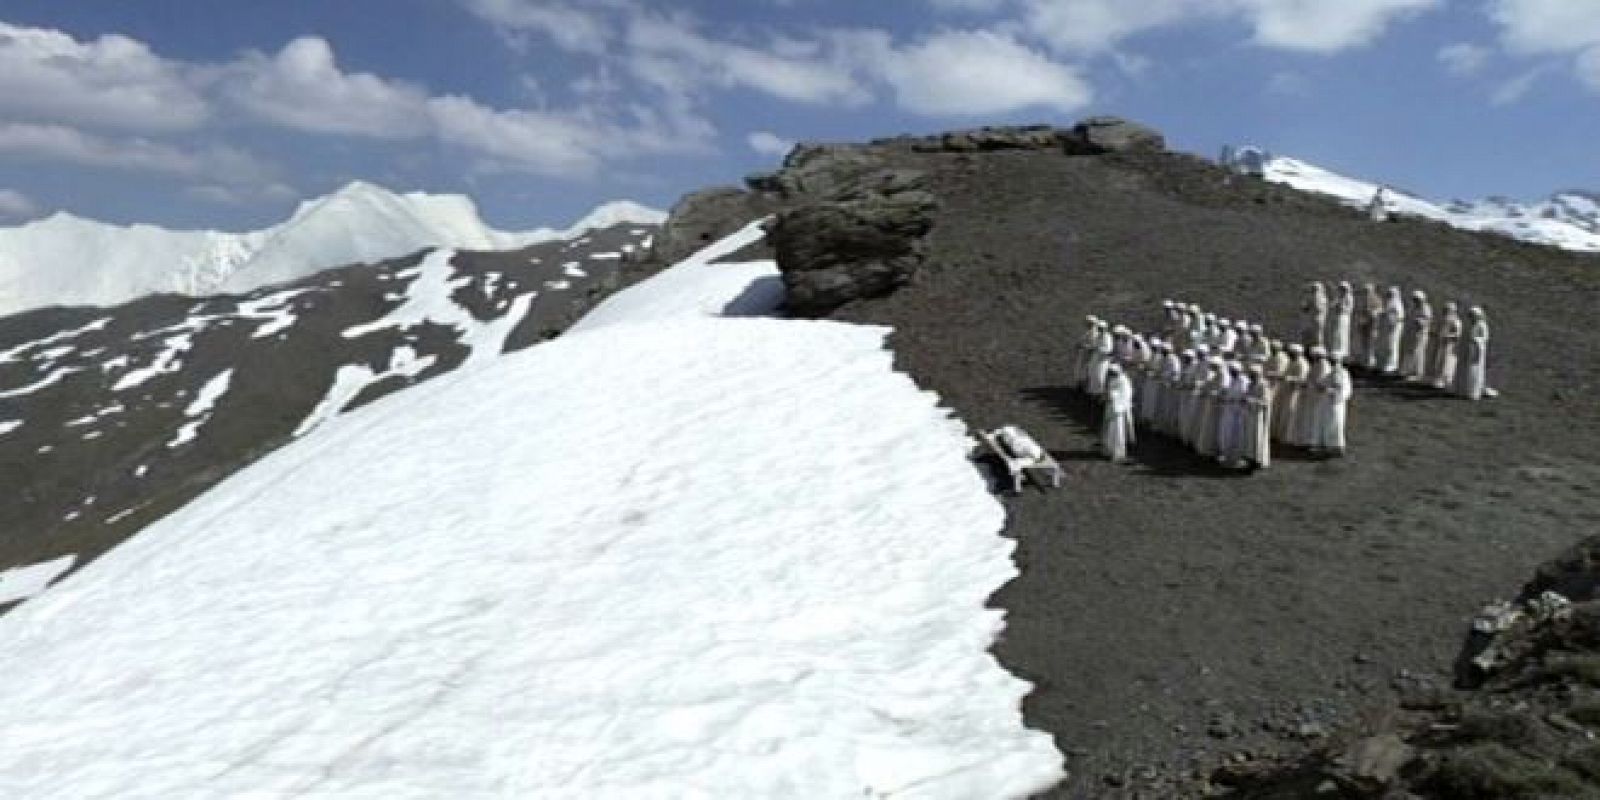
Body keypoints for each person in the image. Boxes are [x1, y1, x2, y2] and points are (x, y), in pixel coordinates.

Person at [1312, 350, 1353, 456]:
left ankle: (1337, 447)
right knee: (1326, 423)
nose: (1332, 362)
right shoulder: (1332, 372)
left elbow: (1343, 389)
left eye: (1334, 361)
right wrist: (1320, 384)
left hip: (1336, 403)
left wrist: (1330, 390)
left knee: (1336, 424)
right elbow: (1325, 381)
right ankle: (1327, 445)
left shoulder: (1342, 373)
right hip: (1328, 402)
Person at [1294, 346, 1330, 446]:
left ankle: (1314, 441)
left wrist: (1308, 384)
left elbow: (1320, 382)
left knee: (1315, 419)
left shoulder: (1324, 366)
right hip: (1310, 394)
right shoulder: (1316, 364)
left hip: (1317, 396)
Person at [1217, 361, 1250, 465]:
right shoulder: (1232, 380)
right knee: (1226, 433)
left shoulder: (1243, 381)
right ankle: (1227, 455)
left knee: (1236, 435)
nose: (1231, 372)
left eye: (1232, 370)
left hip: (1238, 412)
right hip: (1229, 409)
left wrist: (1233, 399)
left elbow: (1244, 396)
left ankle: (1235, 458)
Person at [1193, 357, 1227, 457]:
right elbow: (1209, 385)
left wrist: (1211, 393)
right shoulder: (1215, 374)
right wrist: (1203, 389)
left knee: (1215, 428)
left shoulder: (1223, 376)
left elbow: (1222, 390)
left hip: (1217, 406)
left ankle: (1214, 450)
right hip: (1211, 403)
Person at [1274, 343, 1307, 443]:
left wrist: (1289, 379)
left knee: (1291, 413)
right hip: (1287, 390)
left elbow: (1302, 379)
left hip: (1295, 392)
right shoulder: (1292, 362)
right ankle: (1283, 436)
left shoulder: (1302, 364)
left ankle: (1290, 437)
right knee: (1284, 413)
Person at [1455, 306, 1490, 400]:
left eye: (1472, 316)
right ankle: (1465, 389)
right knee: (1468, 370)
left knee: (1475, 371)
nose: (1471, 318)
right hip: (1469, 350)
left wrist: (1476, 340)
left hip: (1477, 351)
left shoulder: (1482, 325)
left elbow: (1485, 338)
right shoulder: (1471, 325)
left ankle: (1474, 391)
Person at [1103, 364, 1135, 462]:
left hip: (1118, 411)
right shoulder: (1114, 379)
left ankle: (1118, 452)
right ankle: (1109, 449)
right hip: (1112, 408)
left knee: (1118, 432)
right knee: (1110, 431)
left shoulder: (1123, 381)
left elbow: (1125, 395)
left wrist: (1112, 395)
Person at [1243, 364, 1273, 469]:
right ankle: (1250, 457)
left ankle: (1257, 459)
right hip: (1250, 414)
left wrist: (1252, 401)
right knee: (1249, 438)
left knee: (1258, 437)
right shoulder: (1251, 384)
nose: (1251, 376)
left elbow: (1265, 402)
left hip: (1259, 416)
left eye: (1252, 374)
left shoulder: (1264, 385)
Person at [1400, 290, 1433, 380]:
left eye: (1417, 299)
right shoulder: (1414, 307)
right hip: (1412, 334)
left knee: (1417, 353)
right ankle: (1407, 370)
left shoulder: (1426, 308)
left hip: (1420, 335)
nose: (1415, 301)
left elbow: (1427, 321)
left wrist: (1419, 321)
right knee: (1410, 352)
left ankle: (1416, 373)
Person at [1432, 302, 1462, 389]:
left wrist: (1448, 336)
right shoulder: (1444, 319)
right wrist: (1435, 333)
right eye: (1444, 310)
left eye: (1446, 310)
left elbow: (1457, 334)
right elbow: (1439, 328)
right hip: (1441, 344)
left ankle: (1445, 379)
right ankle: (1438, 378)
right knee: (1438, 360)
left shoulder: (1456, 321)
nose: (1444, 312)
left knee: (1446, 361)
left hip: (1449, 345)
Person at [1379, 286, 1406, 375]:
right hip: (1387, 327)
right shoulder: (1389, 303)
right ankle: (1386, 362)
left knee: (1392, 345)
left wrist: (1393, 321)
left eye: (1391, 294)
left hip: (1394, 328)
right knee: (1387, 345)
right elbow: (1386, 312)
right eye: (1389, 294)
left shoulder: (1398, 304)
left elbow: (1400, 317)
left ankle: (1392, 364)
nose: (1389, 295)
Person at [1358, 283, 1383, 369]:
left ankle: (1370, 361)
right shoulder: (1364, 300)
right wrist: (1361, 321)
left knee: (1371, 344)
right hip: (1364, 325)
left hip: (1373, 325)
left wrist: (1372, 313)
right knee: (1364, 343)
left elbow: (1379, 311)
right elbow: (1361, 312)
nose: (1366, 293)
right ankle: (1363, 359)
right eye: (1365, 291)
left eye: (1367, 291)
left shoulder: (1377, 300)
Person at [1086, 320, 1114, 398]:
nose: (1100, 329)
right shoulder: (1099, 336)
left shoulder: (1108, 337)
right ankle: (1092, 392)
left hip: (1102, 361)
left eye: (1101, 328)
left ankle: (1099, 394)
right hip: (1096, 357)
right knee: (1092, 373)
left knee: (1100, 377)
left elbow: (1108, 350)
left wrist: (1098, 349)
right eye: (1099, 328)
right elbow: (1095, 344)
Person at [1072, 315, 1100, 390]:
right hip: (1083, 353)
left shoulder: (1095, 334)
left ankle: (1084, 386)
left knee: (1086, 371)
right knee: (1080, 369)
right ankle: (1080, 385)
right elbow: (1082, 340)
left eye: (1089, 323)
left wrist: (1084, 346)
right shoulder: (1089, 332)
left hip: (1088, 355)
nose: (1087, 325)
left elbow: (1094, 346)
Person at [1329, 282, 1355, 363]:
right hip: (1337, 317)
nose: (1342, 291)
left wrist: (1342, 307)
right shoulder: (1338, 297)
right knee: (1336, 334)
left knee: (1342, 334)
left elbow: (1350, 309)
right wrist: (1334, 306)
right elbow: (1332, 305)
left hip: (1344, 318)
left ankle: (1342, 351)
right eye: (1341, 289)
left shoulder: (1349, 298)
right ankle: (1335, 349)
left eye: (1343, 289)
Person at [1301, 281, 1329, 349]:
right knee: (1307, 334)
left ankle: (1318, 348)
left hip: (1318, 319)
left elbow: (1319, 308)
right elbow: (1305, 308)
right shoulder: (1310, 298)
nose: (1315, 292)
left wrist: (1312, 303)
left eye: (1316, 289)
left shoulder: (1323, 299)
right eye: (1313, 289)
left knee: (1317, 334)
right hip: (1310, 319)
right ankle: (1307, 347)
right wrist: (1305, 304)